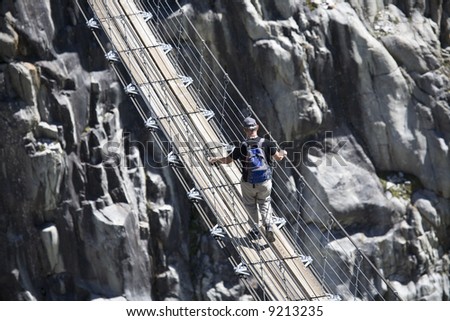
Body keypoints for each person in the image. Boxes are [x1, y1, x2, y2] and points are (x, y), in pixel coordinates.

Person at [208, 116, 287, 242]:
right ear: (257, 127)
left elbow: (228, 160)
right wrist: (283, 153)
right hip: (264, 182)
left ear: (244, 130)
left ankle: (255, 229)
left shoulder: (242, 146)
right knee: (265, 202)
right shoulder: (267, 143)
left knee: (250, 205)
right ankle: (268, 225)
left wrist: (215, 160)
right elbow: (278, 157)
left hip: (248, 183)